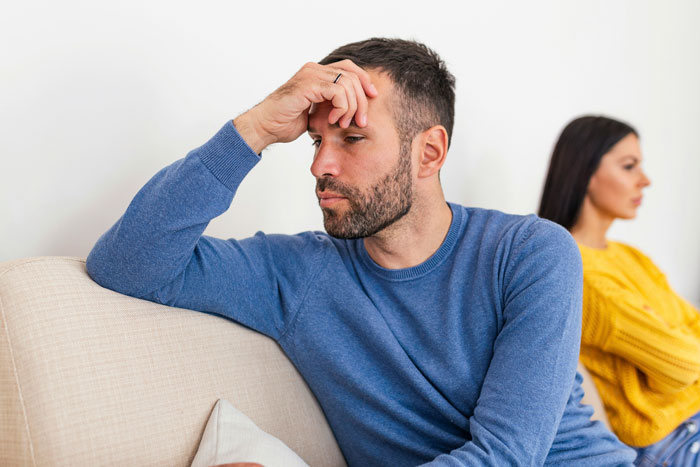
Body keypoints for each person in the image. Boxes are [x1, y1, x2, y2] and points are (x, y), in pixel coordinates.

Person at [87, 38, 634, 465]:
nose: (320, 165)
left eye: (351, 138)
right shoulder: (298, 275)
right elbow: (126, 265)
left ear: (430, 152)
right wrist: (253, 128)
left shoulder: (530, 253)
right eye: (316, 140)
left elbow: (508, 456)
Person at [539, 115, 700, 466]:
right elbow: (682, 365)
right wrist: (675, 341)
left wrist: (674, 341)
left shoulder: (632, 258)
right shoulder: (574, 269)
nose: (645, 180)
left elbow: (693, 330)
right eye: (629, 167)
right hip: (671, 439)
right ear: (585, 172)